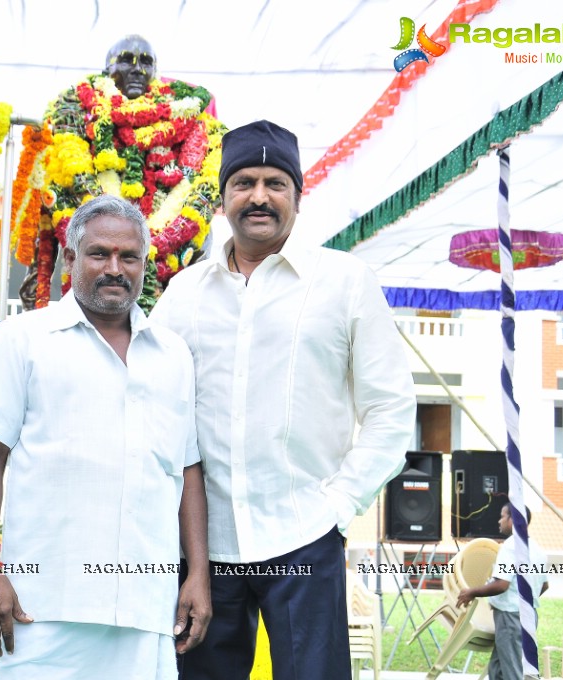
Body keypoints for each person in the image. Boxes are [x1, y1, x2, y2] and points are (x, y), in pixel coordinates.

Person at [149, 120, 417, 679]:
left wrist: (337, 506)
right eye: (244, 181)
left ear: (298, 194)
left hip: (303, 536)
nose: (259, 196)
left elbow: (391, 411)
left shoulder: (344, 281)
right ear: (223, 197)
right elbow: (151, 402)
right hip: (206, 550)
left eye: (276, 182)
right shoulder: (183, 295)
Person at [0, 194, 211, 679]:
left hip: (145, 610)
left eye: (128, 257)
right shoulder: (22, 338)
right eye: (99, 254)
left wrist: (197, 574)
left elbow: (187, 470)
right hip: (43, 609)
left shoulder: (172, 354)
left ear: (144, 263)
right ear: (70, 259)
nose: (115, 268)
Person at [27, 36, 226, 312]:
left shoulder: (190, 119)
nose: (137, 70)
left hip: (175, 272)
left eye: (146, 62)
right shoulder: (74, 114)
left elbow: (205, 187)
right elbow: (58, 193)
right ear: (107, 68)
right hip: (94, 275)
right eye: (126, 60)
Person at [456, 502, 549, 680]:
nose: (499, 521)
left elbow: (502, 584)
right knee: (497, 668)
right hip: (528, 615)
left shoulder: (511, 546)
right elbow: (544, 586)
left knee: (512, 671)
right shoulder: (537, 549)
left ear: (512, 520)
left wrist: (471, 592)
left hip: (510, 618)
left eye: (502, 516)